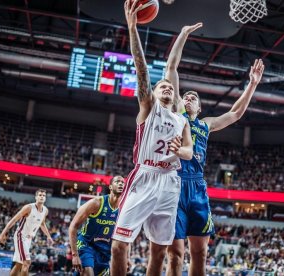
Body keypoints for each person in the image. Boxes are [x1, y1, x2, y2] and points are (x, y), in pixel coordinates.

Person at [164, 23, 265, 276]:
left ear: (199, 106)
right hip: (174, 183)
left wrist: (252, 84)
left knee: (200, 253)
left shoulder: (206, 124)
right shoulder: (177, 114)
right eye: (185, 96)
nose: (188, 98)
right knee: (175, 254)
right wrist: (183, 34)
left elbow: (235, 113)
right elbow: (171, 68)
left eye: (193, 97)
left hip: (197, 186)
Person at [111, 1, 193, 275]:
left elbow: (189, 153)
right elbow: (142, 70)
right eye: (163, 86)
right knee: (119, 245)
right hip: (144, 176)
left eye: (170, 86)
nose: (167, 87)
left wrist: (179, 150)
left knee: (160, 251)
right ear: (154, 94)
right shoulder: (148, 107)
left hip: (170, 182)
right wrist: (133, 30)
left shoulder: (182, 119)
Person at [68, 175, 125, 276]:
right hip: (87, 245)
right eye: (117, 182)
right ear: (110, 187)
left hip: (105, 251)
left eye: (122, 182)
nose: (121, 184)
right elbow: (73, 226)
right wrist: (75, 254)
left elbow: (124, 236)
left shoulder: (124, 209)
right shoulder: (97, 203)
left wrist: (126, 257)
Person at [0, 189, 54, 276]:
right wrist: (3, 233)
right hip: (20, 236)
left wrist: (48, 236)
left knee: (19, 264)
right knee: (27, 262)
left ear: (46, 198)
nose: (42, 197)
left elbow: (42, 224)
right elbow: (14, 219)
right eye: (40, 195)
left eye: (44, 195)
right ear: (36, 197)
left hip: (28, 239)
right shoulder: (28, 207)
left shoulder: (45, 210)